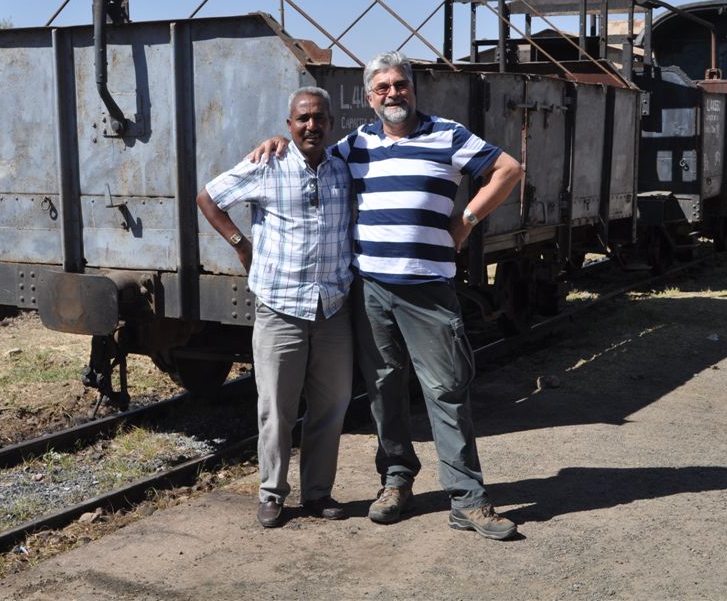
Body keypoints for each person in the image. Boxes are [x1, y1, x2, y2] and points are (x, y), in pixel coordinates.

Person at [252, 51, 524, 540]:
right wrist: (276, 141)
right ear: (369, 96)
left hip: (429, 290)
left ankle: (468, 499)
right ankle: (396, 481)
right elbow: (306, 154)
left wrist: (464, 223)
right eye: (382, 88)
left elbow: (507, 169)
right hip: (371, 290)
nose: (392, 94)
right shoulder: (354, 145)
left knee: (446, 390)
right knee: (384, 391)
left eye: (400, 84)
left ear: (412, 88)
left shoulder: (447, 134)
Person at [197, 87, 354, 528]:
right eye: (302, 118)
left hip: (332, 308)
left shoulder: (343, 168)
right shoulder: (267, 164)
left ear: (330, 124)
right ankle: (271, 493)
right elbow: (208, 197)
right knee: (276, 410)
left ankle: (319, 493)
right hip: (280, 308)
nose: (311, 125)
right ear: (288, 125)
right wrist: (241, 246)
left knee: (332, 406)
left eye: (319, 118)